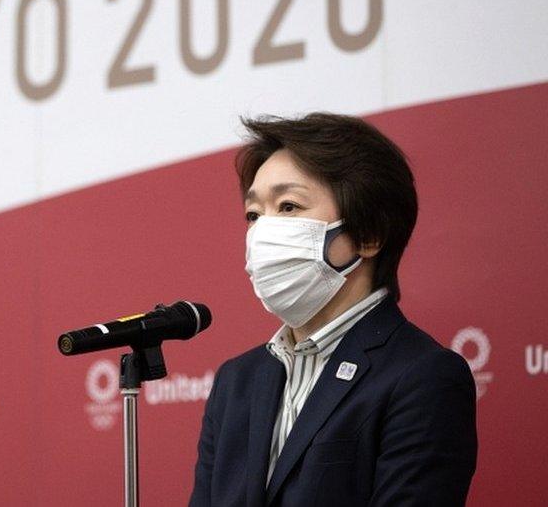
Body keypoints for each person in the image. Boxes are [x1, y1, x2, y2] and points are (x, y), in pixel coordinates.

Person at [189, 114, 477, 506]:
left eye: (288, 206)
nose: (262, 233)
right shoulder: (237, 381)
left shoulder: (422, 376)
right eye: (254, 215)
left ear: (369, 233)